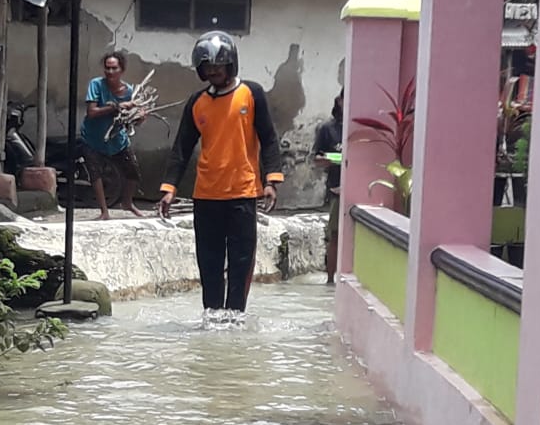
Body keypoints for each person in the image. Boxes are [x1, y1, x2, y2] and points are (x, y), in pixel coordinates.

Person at [158, 31, 284, 313]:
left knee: (241, 262)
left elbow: (269, 138)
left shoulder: (251, 94)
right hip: (206, 195)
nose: (213, 71)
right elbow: (181, 147)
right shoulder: (197, 102)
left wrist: (271, 181)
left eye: (218, 65)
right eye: (208, 67)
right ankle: (212, 316)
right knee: (209, 262)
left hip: (242, 193)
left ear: (231, 64)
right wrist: (169, 189)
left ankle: (236, 316)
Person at [78, 51, 145, 219]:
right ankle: (104, 211)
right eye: (107, 68)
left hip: (117, 139)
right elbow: (92, 112)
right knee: (95, 174)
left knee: (133, 172)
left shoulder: (129, 91)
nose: (110, 72)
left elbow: (132, 119)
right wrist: (117, 106)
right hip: (93, 137)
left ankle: (127, 203)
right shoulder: (96, 85)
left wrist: (139, 117)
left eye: (114, 68)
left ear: (121, 70)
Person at [312, 89, 343, 284]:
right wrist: (331, 160)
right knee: (335, 235)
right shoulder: (328, 129)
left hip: (360, 188)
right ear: (339, 101)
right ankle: (330, 280)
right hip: (336, 188)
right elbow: (316, 158)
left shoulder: (360, 127)